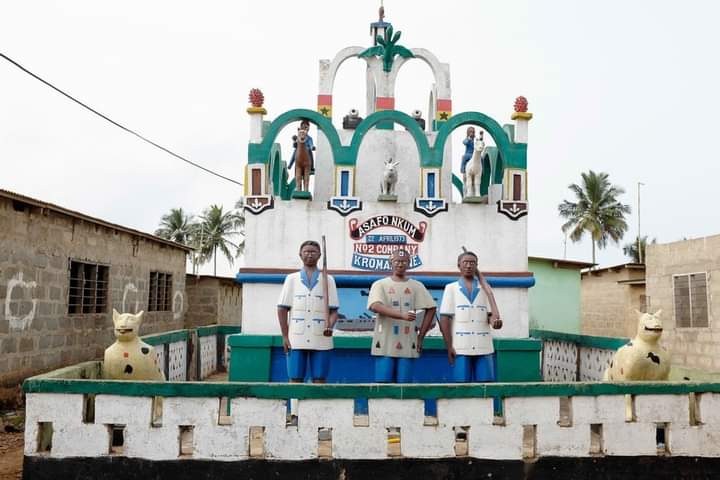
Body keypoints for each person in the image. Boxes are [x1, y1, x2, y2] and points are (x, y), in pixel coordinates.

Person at [418, 250, 502, 382]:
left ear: (476, 266)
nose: (468, 266)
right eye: (465, 262)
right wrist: (449, 346)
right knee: (461, 382)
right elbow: (445, 319)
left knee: (486, 382)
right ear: (459, 265)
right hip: (460, 346)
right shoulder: (451, 288)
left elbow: (490, 315)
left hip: (484, 345)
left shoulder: (485, 288)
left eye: (472, 263)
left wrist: (495, 321)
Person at [367, 249, 436, 383]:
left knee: (404, 384)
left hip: (408, 341)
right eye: (397, 261)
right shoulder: (380, 284)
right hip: (385, 341)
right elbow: (375, 306)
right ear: (390, 263)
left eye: (404, 261)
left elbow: (431, 308)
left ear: (409, 264)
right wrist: (402, 315)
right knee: (383, 382)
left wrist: (421, 336)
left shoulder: (416, 285)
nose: (400, 264)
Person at [277, 240, 339, 384]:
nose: (309, 255)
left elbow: (334, 311)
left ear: (319, 255)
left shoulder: (328, 279)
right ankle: (294, 400)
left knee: (320, 377)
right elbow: (282, 309)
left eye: (313, 252)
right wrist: (285, 336)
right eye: (306, 252)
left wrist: (329, 326)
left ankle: (317, 400)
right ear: (300, 254)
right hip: (296, 338)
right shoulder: (292, 279)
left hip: (321, 337)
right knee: (295, 377)